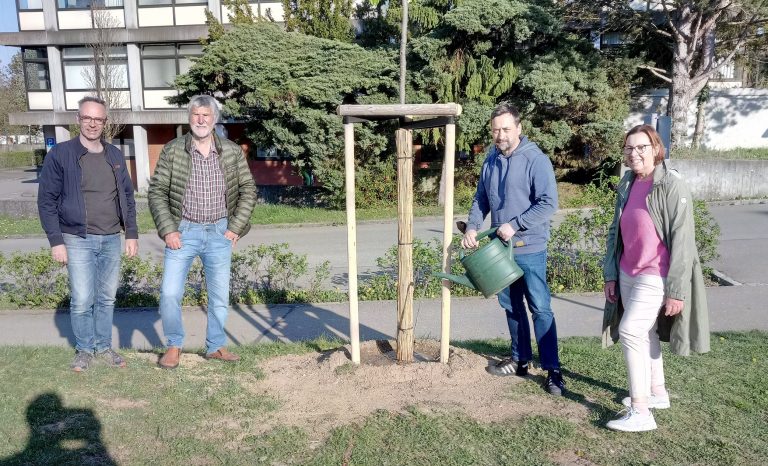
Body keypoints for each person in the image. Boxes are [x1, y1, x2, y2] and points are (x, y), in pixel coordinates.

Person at [602, 124, 710, 432]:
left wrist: (676, 290)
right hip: (627, 272)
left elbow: (683, 239)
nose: (634, 154)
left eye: (641, 148)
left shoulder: (671, 185)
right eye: (629, 149)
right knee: (646, 332)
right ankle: (657, 393)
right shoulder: (628, 182)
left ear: (656, 149)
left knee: (631, 331)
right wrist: (611, 274)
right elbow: (615, 231)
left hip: (655, 274)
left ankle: (641, 412)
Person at [462, 102, 564, 395]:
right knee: (511, 306)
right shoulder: (491, 160)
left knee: (540, 308)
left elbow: (548, 204)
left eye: (506, 129)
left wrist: (515, 224)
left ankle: (553, 370)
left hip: (529, 247)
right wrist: (472, 226)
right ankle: (520, 359)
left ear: (519, 128)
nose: (500, 135)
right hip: (500, 251)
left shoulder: (536, 160)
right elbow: (481, 198)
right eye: (495, 130)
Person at [148, 94, 257, 369]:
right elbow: (157, 191)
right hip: (183, 232)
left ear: (214, 119)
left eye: (206, 115)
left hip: (220, 231)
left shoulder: (231, 151)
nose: (200, 120)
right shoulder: (173, 150)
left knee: (219, 296)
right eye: (196, 114)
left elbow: (248, 190)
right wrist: (168, 230)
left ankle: (215, 346)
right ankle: (174, 345)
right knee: (170, 293)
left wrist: (235, 229)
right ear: (189, 118)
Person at [37, 96, 138, 372]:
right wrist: (56, 241)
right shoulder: (61, 154)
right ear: (78, 119)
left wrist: (131, 233)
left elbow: (127, 197)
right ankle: (84, 350)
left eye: (98, 119)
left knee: (106, 298)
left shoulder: (114, 155)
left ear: (105, 122)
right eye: (87, 118)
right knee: (82, 299)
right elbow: (46, 201)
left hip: (110, 238)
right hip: (76, 238)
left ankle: (103, 347)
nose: (93, 124)